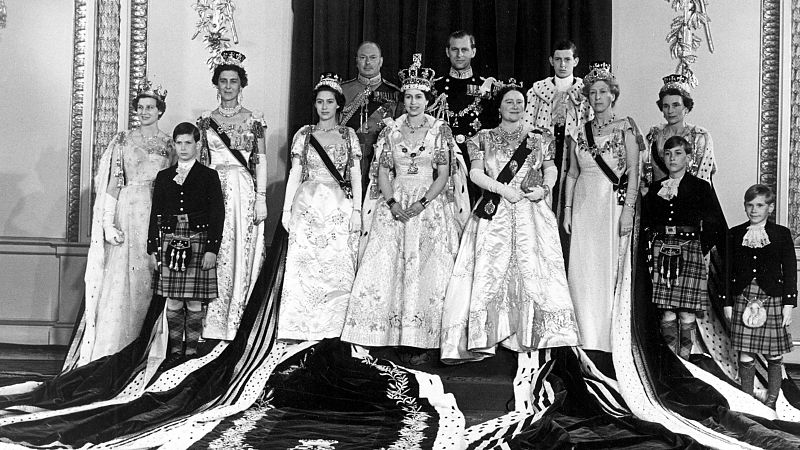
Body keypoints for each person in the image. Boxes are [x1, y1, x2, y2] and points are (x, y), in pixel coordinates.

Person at [341, 54, 469, 363]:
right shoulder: (390, 131)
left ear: (428, 99)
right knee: (388, 265)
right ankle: (384, 334)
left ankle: (424, 338)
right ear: (404, 99)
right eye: (409, 96)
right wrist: (393, 202)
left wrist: (423, 203)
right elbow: (384, 171)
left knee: (429, 267)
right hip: (395, 203)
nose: (413, 101)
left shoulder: (440, 131)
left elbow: (443, 175)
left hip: (430, 204)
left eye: (419, 96)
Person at [440, 82, 580, 363]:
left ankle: (529, 333)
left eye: (519, 102)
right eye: (509, 102)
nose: (515, 106)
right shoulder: (483, 137)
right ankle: (492, 334)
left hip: (531, 209)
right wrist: (504, 190)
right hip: (495, 209)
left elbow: (550, 169)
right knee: (493, 269)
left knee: (532, 267)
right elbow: (476, 175)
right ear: (499, 107)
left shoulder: (539, 138)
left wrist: (544, 189)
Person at [64, 80, 174, 369]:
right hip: (127, 210)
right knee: (122, 277)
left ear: (160, 110)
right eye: (140, 107)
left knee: (149, 276)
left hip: (156, 212)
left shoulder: (169, 144)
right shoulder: (123, 139)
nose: (145, 112)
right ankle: (114, 347)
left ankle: (145, 347)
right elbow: (114, 182)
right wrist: (107, 223)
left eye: (150, 107)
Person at [562, 62, 641, 353]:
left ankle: (609, 340)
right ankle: (584, 336)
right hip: (584, 205)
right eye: (592, 92)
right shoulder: (579, 131)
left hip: (612, 205)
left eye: (603, 92)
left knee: (608, 270)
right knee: (584, 270)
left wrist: (629, 210)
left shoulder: (626, 127)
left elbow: (634, 169)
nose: (597, 97)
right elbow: (571, 173)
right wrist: (568, 210)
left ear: (613, 96)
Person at [279, 73, 362, 341]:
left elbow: (356, 175)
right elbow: (295, 172)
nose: (324, 107)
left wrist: (358, 211)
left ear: (339, 104)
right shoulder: (304, 134)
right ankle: (299, 325)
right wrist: (285, 209)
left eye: (329, 101)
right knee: (306, 266)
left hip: (339, 204)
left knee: (335, 264)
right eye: (319, 102)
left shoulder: (348, 135)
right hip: (308, 203)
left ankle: (334, 326)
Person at [197, 50, 268, 342]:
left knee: (240, 248)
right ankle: (212, 323)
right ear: (217, 84)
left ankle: (239, 321)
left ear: (242, 85)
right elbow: (201, 163)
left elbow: (261, 160)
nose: (228, 86)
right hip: (214, 187)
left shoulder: (255, 120)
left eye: (234, 81)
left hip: (242, 190)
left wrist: (262, 197)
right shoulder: (204, 120)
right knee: (217, 248)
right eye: (223, 81)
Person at [641, 136, 726, 360]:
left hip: (690, 251)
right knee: (667, 310)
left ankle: (685, 361)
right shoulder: (656, 188)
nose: (672, 158)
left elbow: (714, 224)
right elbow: (647, 223)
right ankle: (672, 361)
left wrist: (699, 248)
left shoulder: (700, 187)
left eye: (678, 153)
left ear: (688, 158)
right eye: (668, 154)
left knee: (687, 311)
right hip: (662, 251)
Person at [148, 122, 225, 363]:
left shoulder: (208, 176)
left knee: (193, 299)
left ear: (197, 144)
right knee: (173, 298)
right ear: (174, 144)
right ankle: (173, 351)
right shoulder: (163, 177)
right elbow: (155, 212)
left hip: (198, 239)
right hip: (170, 239)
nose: (183, 148)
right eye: (178, 143)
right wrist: (152, 248)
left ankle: (190, 351)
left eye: (188, 143)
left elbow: (217, 214)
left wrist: (212, 249)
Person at [725, 184, 796, 409]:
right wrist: (727, 302)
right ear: (745, 206)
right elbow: (727, 270)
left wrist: (789, 303)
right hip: (744, 297)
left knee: (774, 354)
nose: (754, 210)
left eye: (760, 205)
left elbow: (791, 270)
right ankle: (747, 399)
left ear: (770, 207)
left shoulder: (781, 234)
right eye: (750, 205)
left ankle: (772, 399)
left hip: (772, 297)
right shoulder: (734, 234)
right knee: (746, 351)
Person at [523, 40, 590, 261]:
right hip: (545, 157)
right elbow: (528, 126)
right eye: (558, 59)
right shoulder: (537, 91)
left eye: (567, 59)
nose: (563, 64)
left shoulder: (585, 92)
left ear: (576, 61)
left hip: (573, 157)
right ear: (551, 61)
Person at [429, 30, 498, 205]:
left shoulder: (487, 87)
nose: (459, 55)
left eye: (465, 50)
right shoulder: (434, 87)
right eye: (455, 49)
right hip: (443, 160)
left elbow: (492, 128)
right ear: (447, 52)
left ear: (473, 52)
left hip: (476, 160)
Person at [340, 41, 402, 197]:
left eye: (373, 57)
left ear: (380, 61)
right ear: (356, 60)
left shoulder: (395, 93)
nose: (367, 63)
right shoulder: (341, 90)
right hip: (347, 158)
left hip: (379, 161)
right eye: (363, 57)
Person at [643, 74, 716, 189]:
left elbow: (703, 177)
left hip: (691, 199)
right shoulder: (654, 136)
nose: (670, 111)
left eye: (675, 105)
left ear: (686, 108)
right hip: (658, 200)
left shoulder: (699, 137)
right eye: (666, 106)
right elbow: (646, 174)